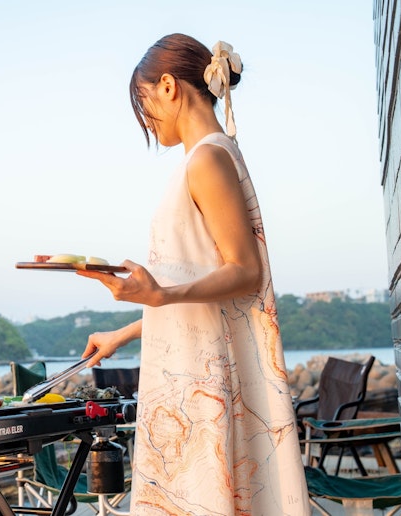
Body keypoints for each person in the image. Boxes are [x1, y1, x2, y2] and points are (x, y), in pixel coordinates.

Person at [76, 34, 310, 515]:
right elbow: (206, 291)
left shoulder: (207, 158)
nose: (145, 119)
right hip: (193, 375)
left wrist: (160, 294)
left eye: (142, 103)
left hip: (200, 385)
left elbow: (245, 271)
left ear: (168, 86)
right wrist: (124, 332)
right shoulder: (210, 155)